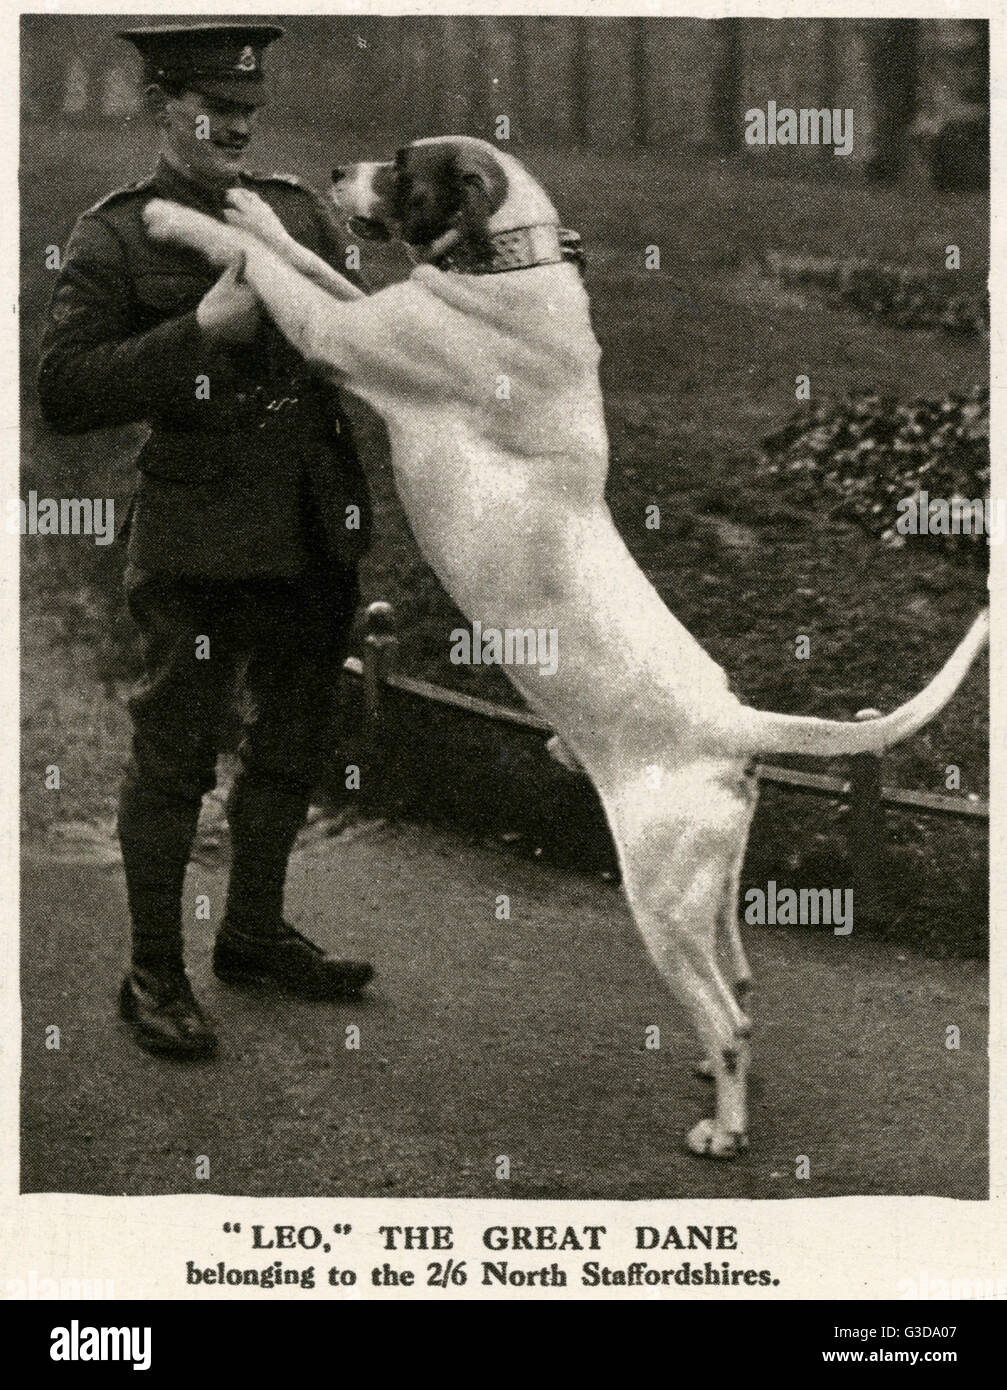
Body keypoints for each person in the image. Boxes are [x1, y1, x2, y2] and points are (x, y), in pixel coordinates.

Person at [37, 23, 374, 1061]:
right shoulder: (118, 236)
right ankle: (152, 973)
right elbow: (64, 392)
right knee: (175, 756)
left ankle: (254, 931)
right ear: (157, 104)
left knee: (291, 741)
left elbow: (368, 330)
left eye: (246, 110)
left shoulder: (295, 210)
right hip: (197, 540)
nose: (234, 124)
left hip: (313, 522)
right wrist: (199, 337)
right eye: (210, 107)